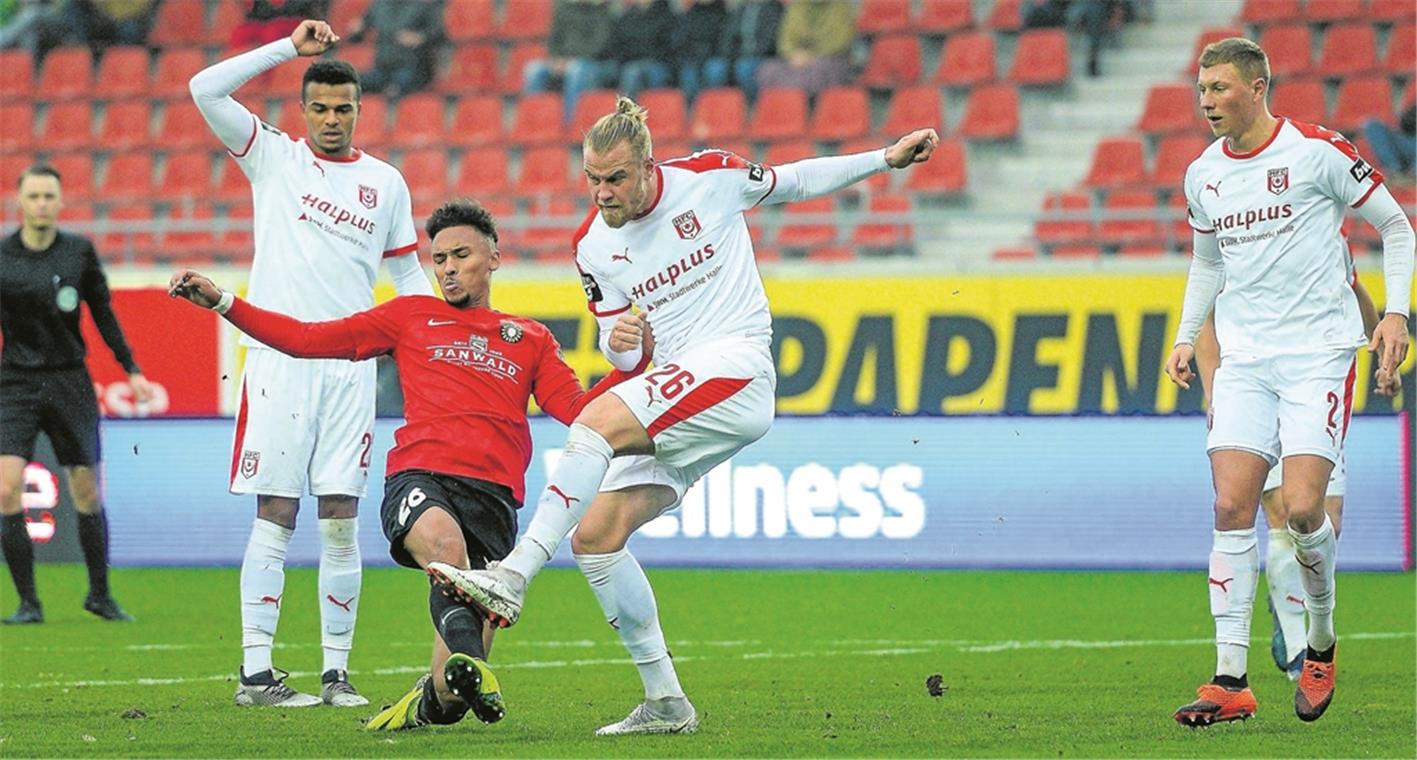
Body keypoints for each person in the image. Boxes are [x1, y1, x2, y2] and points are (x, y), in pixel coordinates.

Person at [425, 96, 939, 735]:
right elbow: (626, 345)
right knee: (596, 536)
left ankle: (515, 574)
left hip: (737, 366)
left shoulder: (709, 181)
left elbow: (795, 180)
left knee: (593, 424)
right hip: (679, 390)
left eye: (615, 178)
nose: (603, 193)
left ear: (646, 165)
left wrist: (884, 160)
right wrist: (622, 343)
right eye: (592, 179)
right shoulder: (592, 245)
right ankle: (666, 701)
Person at [167, 199, 651, 731]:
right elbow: (306, 340)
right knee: (447, 552)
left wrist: (635, 365)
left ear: (493, 257)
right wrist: (224, 302)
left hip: (493, 500)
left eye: (460, 255)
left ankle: (423, 704)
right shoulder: (409, 316)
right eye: (438, 258)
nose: (446, 268)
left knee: (450, 698)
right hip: (420, 479)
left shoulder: (529, 337)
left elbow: (582, 414)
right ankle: (475, 669)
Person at [1164, 38, 1413, 727]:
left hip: (1316, 356)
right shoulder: (1202, 174)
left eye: (1218, 88)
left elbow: (1394, 225)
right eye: (1201, 89)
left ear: (1256, 85)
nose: (1205, 100)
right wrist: (1187, 335)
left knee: (1304, 512)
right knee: (1229, 504)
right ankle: (1229, 679)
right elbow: (1206, 265)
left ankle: (1320, 641)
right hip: (1243, 360)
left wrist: (1394, 312)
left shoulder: (1315, 152)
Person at [190, 19, 435, 708]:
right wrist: (287, 51)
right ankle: (255, 674)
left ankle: (334, 673)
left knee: (338, 515)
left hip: (351, 368)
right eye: (320, 108)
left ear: (360, 110)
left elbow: (408, 278)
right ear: (302, 112)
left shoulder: (385, 184)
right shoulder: (272, 157)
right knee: (276, 510)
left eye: (344, 108)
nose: (332, 119)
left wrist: (439, 332)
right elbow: (203, 88)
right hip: (277, 362)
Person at [1193, 273, 1399, 683]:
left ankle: (1292, 602)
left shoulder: (1319, 232)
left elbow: (1356, 291)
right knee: (1282, 511)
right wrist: (1216, 394)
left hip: (1313, 382)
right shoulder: (1242, 234)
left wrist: (1380, 356)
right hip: (1255, 389)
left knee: (1323, 520)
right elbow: (1206, 320)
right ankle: (1297, 649)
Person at [0, 164, 152, 625]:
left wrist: (132, 369)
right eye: (35, 196)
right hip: (16, 382)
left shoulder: (78, 253)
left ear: (60, 202)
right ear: (20, 202)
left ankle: (100, 595)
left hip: (69, 380)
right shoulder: (3, 255)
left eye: (50, 196)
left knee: (86, 492)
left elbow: (104, 314)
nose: (42, 203)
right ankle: (29, 602)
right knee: (6, 490)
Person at [522, 0, 616, 120]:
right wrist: (557, 58)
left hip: (593, 62)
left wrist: (571, 60)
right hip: (563, 60)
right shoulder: (564, 9)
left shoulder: (603, 11)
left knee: (576, 69)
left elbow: (600, 45)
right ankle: (533, 119)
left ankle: (569, 121)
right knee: (533, 69)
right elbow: (553, 40)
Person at [754, 0, 854, 98]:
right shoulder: (796, 7)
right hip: (796, 59)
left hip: (829, 59)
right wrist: (793, 55)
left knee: (817, 71)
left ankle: (807, 108)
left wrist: (811, 56)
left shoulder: (841, 7)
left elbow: (841, 42)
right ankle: (782, 107)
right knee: (767, 70)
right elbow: (785, 41)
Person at [346, 0, 444, 98]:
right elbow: (357, 36)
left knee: (394, 90)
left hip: (411, 68)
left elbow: (439, 35)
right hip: (381, 68)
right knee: (351, 86)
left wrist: (420, 38)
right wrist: (356, 31)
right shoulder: (378, 6)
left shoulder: (422, 6)